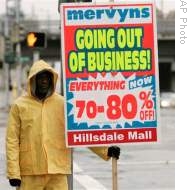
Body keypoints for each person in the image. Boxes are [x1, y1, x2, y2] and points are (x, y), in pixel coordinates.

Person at [6, 60, 120, 190]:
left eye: (47, 78)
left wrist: (106, 150)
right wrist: (13, 173)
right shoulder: (19, 105)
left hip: (57, 171)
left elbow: (79, 132)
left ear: (52, 80)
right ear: (33, 80)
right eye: (41, 78)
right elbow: (12, 141)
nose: (44, 81)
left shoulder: (63, 104)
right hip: (30, 172)